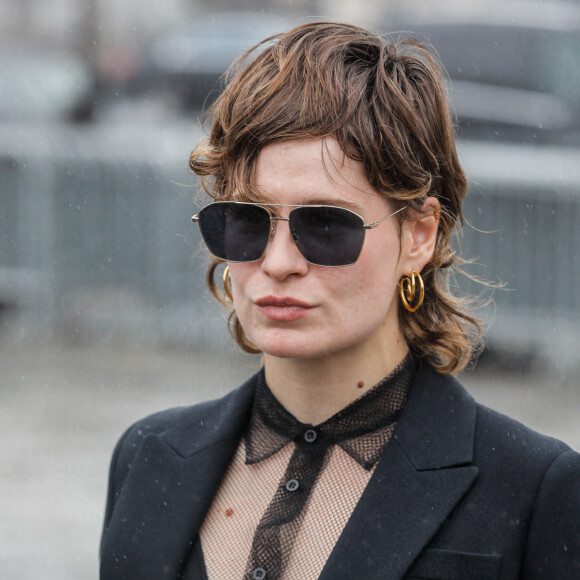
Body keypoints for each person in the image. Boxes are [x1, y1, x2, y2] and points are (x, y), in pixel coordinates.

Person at [100, 22, 580, 579]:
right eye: (245, 222)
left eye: (326, 225)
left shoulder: (534, 489)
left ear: (419, 234)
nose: (278, 263)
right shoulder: (148, 456)